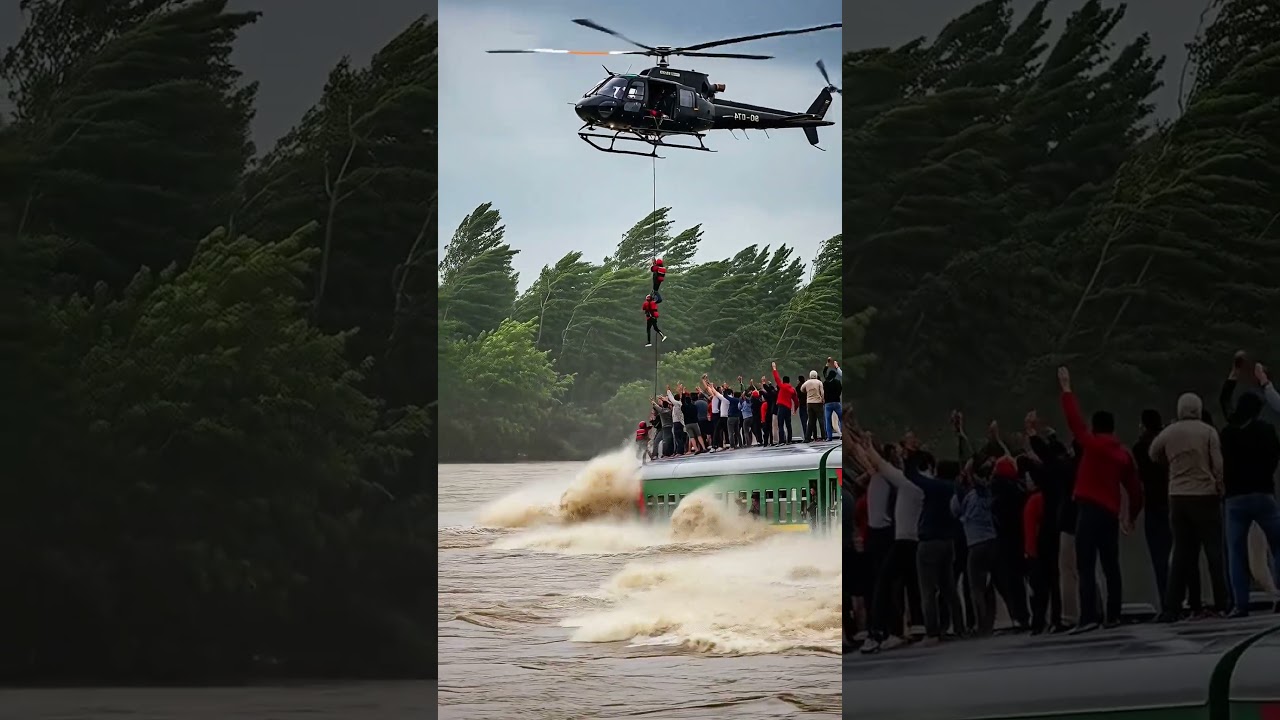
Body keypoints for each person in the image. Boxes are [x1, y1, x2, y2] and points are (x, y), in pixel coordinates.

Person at [1057, 366, 1143, 634]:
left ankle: (1088, 617)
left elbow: (1074, 421)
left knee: (1085, 564)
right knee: (1111, 565)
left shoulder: (1090, 444)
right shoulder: (1123, 455)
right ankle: (1113, 614)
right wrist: (1131, 516)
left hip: (1088, 509)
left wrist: (1066, 388)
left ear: (1095, 428)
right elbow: (1135, 490)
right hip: (1110, 512)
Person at [1149, 391, 1229, 621]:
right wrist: (1219, 485)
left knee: (1182, 552)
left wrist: (1171, 462)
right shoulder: (1208, 431)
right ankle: (1222, 602)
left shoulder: (1170, 431)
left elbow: (1153, 452)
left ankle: (1171, 606)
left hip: (1177, 496)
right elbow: (1218, 463)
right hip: (1205, 495)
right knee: (1213, 551)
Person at [1218, 366, 1280, 618]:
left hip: (1235, 497)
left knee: (1236, 552)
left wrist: (1232, 377)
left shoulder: (1228, 432)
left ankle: (1239, 604)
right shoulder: (1266, 430)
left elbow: (1225, 404)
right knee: (1278, 547)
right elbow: (1276, 456)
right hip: (1264, 493)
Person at [853, 437, 923, 654]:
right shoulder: (879, 475)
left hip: (885, 535)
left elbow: (861, 453)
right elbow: (859, 453)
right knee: (889, 584)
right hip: (880, 535)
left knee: (886, 584)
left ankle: (884, 631)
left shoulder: (887, 475)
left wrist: (850, 431)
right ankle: (898, 628)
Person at [910, 454, 966, 645]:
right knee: (949, 588)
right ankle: (959, 627)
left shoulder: (936, 487)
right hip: (948, 542)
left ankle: (932, 632)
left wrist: (912, 457)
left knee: (927, 591)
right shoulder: (955, 489)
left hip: (929, 542)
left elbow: (913, 476)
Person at [1133, 409, 1181, 616]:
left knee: (1159, 558)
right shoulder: (1170, 442)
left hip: (1154, 505)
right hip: (1174, 501)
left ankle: (1167, 604)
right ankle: (1183, 600)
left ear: (1144, 425)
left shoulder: (1140, 447)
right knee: (1179, 554)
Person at [772, 362, 797, 443]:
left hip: (781, 407)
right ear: (789, 382)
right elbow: (796, 401)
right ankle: (789, 440)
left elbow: (777, 378)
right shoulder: (792, 389)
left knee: (780, 424)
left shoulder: (782, 386)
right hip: (788, 408)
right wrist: (795, 409)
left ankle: (782, 441)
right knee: (788, 424)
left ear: (784, 381)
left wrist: (774, 368)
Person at [800, 370, 825, 442]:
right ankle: (823, 436)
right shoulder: (819, 382)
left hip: (809, 403)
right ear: (816, 375)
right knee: (821, 420)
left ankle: (807, 437)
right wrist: (823, 399)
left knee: (810, 421)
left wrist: (807, 391)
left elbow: (802, 389)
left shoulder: (807, 382)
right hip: (818, 402)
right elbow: (822, 392)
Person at [823, 358, 842, 441]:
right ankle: (843, 434)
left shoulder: (826, 382)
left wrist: (827, 365)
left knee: (828, 420)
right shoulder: (837, 382)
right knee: (841, 419)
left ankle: (829, 437)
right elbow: (840, 390)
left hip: (828, 403)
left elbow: (824, 373)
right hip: (837, 402)